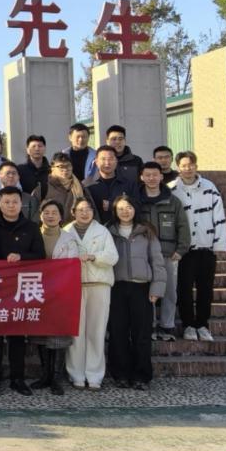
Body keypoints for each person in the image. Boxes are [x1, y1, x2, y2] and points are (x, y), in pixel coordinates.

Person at [0, 186, 46, 396]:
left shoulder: (31, 227)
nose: (11, 206)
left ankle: (18, 379)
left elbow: (40, 255)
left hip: (21, 287)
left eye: (15, 202)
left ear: (21, 204)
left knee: (17, 335)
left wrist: (22, 257)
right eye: (7, 202)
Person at [107, 195, 166, 390]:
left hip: (141, 288)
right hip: (116, 288)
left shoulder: (146, 231)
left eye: (129, 207)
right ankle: (121, 374)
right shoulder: (109, 231)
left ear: (135, 209)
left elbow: (157, 261)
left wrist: (156, 288)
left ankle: (141, 376)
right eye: (121, 208)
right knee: (118, 332)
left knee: (142, 333)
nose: (125, 211)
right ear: (115, 211)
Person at [170, 151, 226, 342]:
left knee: (205, 289)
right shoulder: (172, 189)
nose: (188, 169)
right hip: (184, 250)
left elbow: (219, 216)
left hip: (206, 247)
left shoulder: (209, 187)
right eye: (184, 165)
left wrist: (219, 244)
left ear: (196, 165)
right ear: (178, 167)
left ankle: (203, 325)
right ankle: (188, 325)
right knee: (184, 289)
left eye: (191, 165)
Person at [63, 197, 119, 390]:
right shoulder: (66, 232)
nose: (84, 213)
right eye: (80, 210)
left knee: (97, 331)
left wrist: (93, 257)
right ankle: (76, 374)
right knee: (76, 332)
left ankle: (94, 375)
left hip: (99, 284)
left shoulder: (102, 231)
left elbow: (113, 257)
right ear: (73, 212)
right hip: (74, 286)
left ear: (93, 212)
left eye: (88, 209)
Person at [29, 199, 80, 395]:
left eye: (54, 212)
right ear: (40, 215)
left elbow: (71, 266)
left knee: (58, 336)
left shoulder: (69, 239)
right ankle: (45, 375)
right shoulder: (34, 235)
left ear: (61, 216)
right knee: (41, 335)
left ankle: (56, 378)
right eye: (46, 212)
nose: (50, 216)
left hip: (61, 292)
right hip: (37, 291)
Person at [138, 162, 190, 342]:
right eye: (148, 175)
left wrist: (181, 249)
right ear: (142, 177)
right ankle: (150, 325)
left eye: (155, 175)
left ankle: (167, 326)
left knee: (169, 292)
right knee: (147, 292)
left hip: (168, 254)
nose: (151, 178)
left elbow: (182, 226)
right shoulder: (136, 201)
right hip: (143, 255)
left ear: (161, 177)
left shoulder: (173, 201)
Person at [84, 145, 135, 226]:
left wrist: (112, 205)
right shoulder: (87, 184)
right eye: (103, 159)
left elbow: (136, 205)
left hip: (122, 228)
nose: (107, 163)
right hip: (95, 229)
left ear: (116, 161)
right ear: (96, 162)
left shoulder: (128, 184)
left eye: (111, 159)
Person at [42, 152, 86, 225]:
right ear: (52, 168)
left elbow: (90, 208)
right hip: (52, 229)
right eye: (61, 166)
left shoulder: (79, 186)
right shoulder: (43, 188)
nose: (65, 169)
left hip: (75, 229)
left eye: (68, 166)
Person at [17, 134, 50, 198]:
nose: (37, 149)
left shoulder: (51, 170)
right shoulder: (20, 170)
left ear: (45, 149)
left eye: (40, 146)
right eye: (33, 146)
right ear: (27, 150)